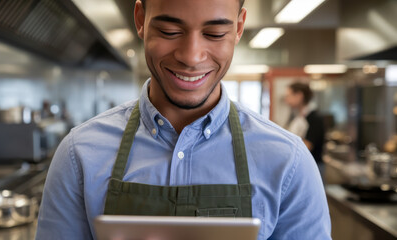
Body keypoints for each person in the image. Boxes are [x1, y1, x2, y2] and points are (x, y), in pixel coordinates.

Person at [36, 0, 331, 239]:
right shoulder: (79, 154)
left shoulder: (288, 162)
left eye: (214, 34)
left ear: (239, 27)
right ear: (140, 19)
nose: (191, 56)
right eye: (168, 31)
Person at [284, 82, 326, 177]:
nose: (286, 100)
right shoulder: (298, 116)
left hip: (313, 167)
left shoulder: (314, 118)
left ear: (299, 96)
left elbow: (307, 146)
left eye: (288, 96)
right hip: (302, 166)